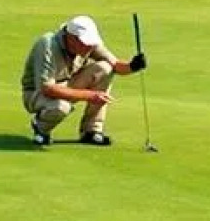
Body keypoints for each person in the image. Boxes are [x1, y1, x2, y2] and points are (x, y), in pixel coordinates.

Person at [19, 15, 146, 147]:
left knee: (105, 68)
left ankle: (91, 130)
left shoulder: (89, 45)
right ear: (71, 38)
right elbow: (47, 88)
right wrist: (90, 95)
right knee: (61, 106)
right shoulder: (48, 45)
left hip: (66, 84)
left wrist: (133, 66)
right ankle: (41, 129)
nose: (89, 48)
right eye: (85, 43)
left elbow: (115, 65)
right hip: (36, 94)